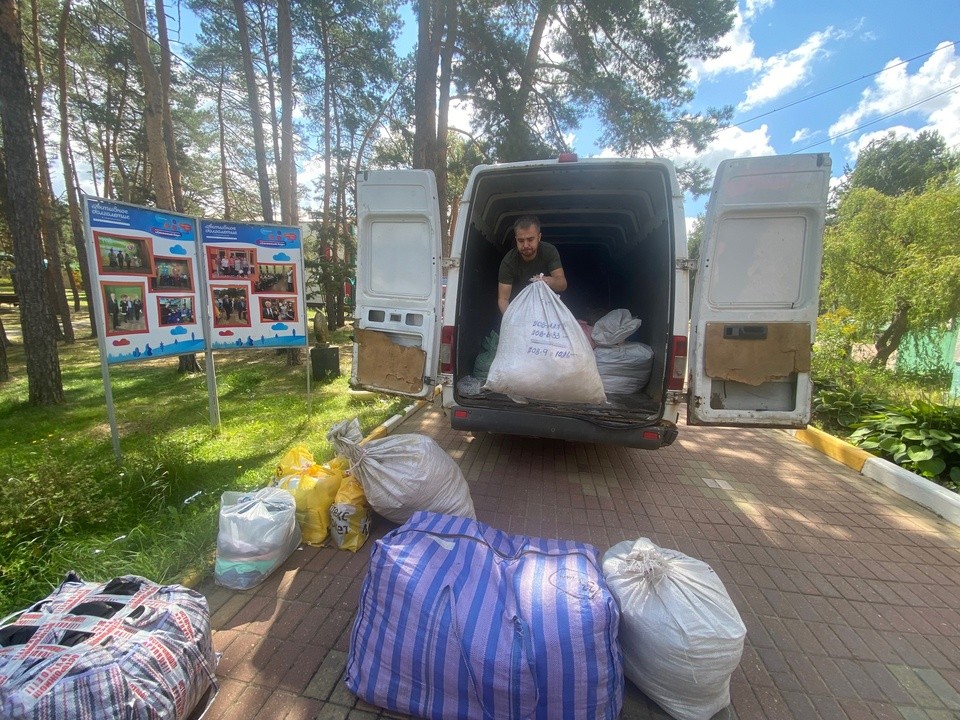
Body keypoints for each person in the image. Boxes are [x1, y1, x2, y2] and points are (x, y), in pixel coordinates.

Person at [497, 215, 567, 314]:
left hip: (547, 307)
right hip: (520, 308)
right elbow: (503, 299)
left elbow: (562, 284)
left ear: (539, 237)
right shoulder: (508, 261)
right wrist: (512, 321)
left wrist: (546, 281)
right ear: (516, 239)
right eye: (520, 240)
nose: (525, 245)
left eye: (530, 239)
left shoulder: (549, 251)